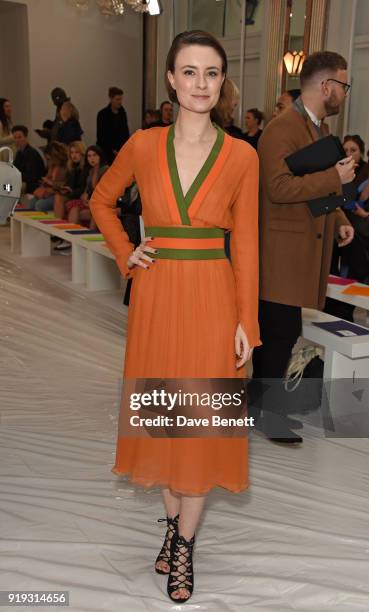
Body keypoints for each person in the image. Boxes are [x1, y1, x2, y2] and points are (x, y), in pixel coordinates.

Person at [90, 29, 260, 603]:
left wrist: (247, 323)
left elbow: (249, 247)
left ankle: (184, 547)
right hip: (158, 296)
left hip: (214, 296)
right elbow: (100, 201)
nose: (201, 84)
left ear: (223, 82)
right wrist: (125, 252)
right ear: (170, 79)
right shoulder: (141, 144)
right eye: (189, 72)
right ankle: (171, 530)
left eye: (211, 73)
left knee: (204, 420)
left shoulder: (242, 156)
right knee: (165, 419)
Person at [252, 51, 355, 444]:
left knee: (281, 332)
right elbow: (278, 189)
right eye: (343, 85)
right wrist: (333, 176)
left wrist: (341, 221)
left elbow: (314, 187)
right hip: (280, 250)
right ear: (326, 85)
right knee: (279, 332)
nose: (344, 93)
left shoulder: (315, 128)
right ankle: (266, 412)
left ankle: (263, 406)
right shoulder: (283, 129)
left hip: (297, 249)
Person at [66, 145, 108, 231]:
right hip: (90, 202)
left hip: (102, 203)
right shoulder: (90, 170)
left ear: (100, 156)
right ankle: (72, 240)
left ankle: (82, 239)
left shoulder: (106, 170)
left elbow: (98, 189)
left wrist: (96, 171)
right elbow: (87, 190)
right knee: (74, 209)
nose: (92, 158)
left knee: (79, 214)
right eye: (89, 156)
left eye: (95, 155)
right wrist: (84, 196)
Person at [29, 141, 68, 212]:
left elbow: (64, 186)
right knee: (31, 203)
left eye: (48, 159)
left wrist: (50, 184)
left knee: (39, 205)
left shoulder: (65, 167)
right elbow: (47, 182)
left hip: (59, 194)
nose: (48, 161)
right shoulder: (52, 166)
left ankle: (43, 222)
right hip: (49, 192)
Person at [96, 87, 130, 165]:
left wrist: (126, 148)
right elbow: (101, 135)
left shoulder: (122, 113)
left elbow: (125, 132)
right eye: (117, 99)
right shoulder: (102, 114)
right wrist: (112, 149)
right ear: (111, 99)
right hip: (107, 152)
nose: (120, 102)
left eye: (121, 99)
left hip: (121, 150)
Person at [12, 125, 45, 195]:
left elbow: (32, 177)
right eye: (15, 138)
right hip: (24, 182)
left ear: (26, 137)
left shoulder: (32, 154)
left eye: (19, 137)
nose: (17, 140)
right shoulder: (19, 153)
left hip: (33, 184)